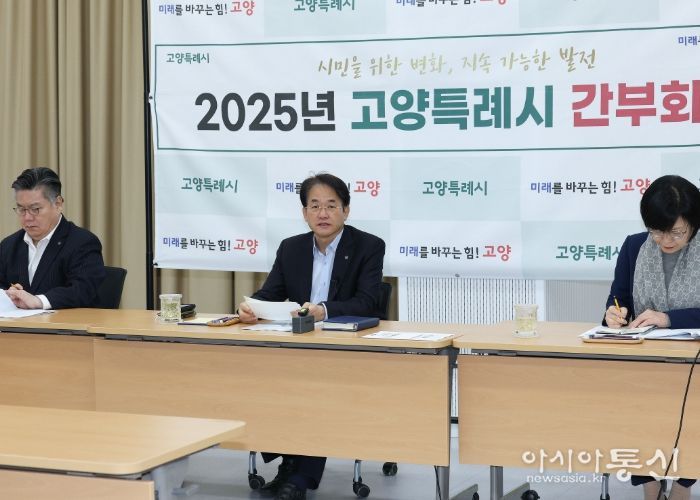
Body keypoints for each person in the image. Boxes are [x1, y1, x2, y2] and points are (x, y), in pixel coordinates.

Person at [237, 173, 385, 500]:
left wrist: (323, 310)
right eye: (314, 206)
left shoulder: (369, 246)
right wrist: (250, 308)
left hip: (343, 349)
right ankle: (289, 462)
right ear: (304, 213)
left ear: (346, 210)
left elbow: (367, 302)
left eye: (331, 205)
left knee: (316, 385)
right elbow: (270, 293)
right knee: (268, 381)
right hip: (296, 346)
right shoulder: (291, 248)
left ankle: (302, 477)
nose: (323, 213)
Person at [604, 174, 700, 500]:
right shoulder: (635, 246)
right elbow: (618, 300)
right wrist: (613, 315)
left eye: (676, 232)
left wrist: (669, 319)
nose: (665, 240)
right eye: (657, 231)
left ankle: (684, 485)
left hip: (693, 365)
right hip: (644, 363)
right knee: (634, 408)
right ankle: (650, 485)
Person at [0, 167, 106, 309]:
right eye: (21, 209)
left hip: (68, 323)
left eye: (35, 209)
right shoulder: (9, 245)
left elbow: (82, 290)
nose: (27, 217)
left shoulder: (82, 242)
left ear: (58, 204)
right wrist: (8, 294)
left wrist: (39, 301)